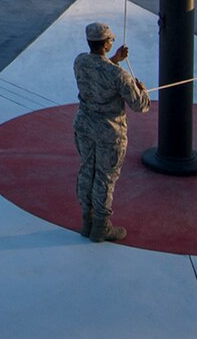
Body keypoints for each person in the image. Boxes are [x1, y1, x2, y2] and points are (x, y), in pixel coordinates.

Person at [73, 21, 150, 243]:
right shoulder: (119, 75)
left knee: (87, 170)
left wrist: (114, 60)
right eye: (110, 40)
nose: (112, 42)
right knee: (105, 178)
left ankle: (86, 221)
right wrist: (142, 91)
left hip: (84, 126)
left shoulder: (80, 62)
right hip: (110, 132)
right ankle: (101, 226)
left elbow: (98, 73)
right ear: (106, 44)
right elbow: (140, 106)